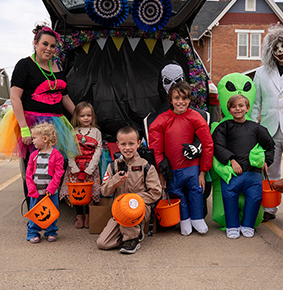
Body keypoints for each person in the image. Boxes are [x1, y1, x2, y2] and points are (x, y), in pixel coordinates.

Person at [0, 24, 79, 210]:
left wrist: (81, 116)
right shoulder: (24, 65)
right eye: (45, 44)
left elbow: (64, 97)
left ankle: (50, 210)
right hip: (33, 124)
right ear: (35, 43)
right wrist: (24, 128)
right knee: (34, 170)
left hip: (57, 124)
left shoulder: (57, 66)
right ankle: (34, 213)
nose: (49, 49)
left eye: (53, 46)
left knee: (57, 166)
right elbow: (15, 97)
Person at [250, 24, 283, 225]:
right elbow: (255, 104)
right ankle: (269, 208)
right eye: (276, 48)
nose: (280, 51)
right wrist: (253, 130)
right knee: (269, 170)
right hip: (268, 130)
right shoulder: (261, 73)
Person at [149, 81, 214, 236]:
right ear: (170, 100)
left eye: (184, 98)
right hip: (172, 169)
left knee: (196, 190)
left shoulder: (195, 117)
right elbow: (156, 149)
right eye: (177, 98)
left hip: (192, 167)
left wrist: (203, 171)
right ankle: (184, 219)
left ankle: (197, 218)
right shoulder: (162, 120)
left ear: (190, 100)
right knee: (175, 192)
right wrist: (161, 171)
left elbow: (207, 145)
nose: (180, 102)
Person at [213, 95, 275, 239]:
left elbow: (270, 145)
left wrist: (267, 160)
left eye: (241, 106)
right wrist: (231, 160)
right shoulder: (224, 127)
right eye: (234, 106)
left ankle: (248, 225)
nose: (237, 109)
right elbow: (217, 145)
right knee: (229, 196)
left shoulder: (257, 128)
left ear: (247, 108)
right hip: (232, 172)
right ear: (229, 109)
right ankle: (232, 226)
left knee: (254, 198)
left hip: (253, 172)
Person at [97, 126, 162, 254]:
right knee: (103, 243)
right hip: (119, 211)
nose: (127, 148)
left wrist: (133, 200)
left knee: (128, 211)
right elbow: (104, 191)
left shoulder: (146, 166)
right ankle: (133, 234)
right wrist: (116, 181)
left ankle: (132, 239)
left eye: (131, 144)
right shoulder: (112, 166)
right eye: (123, 144)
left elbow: (156, 192)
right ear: (118, 145)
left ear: (138, 144)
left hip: (140, 208)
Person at [60, 102, 102, 229]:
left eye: (89, 115)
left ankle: (89, 214)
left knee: (88, 192)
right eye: (82, 115)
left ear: (93, 116)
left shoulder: (96, 132)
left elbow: (98, 149)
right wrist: (74, 167)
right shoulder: (73, 132)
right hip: (76, 167)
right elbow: (70, 150)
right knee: (76, 191)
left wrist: (91, 168)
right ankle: (79, 215)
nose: (86, 118)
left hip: (90, 167)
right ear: (77, 117)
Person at [26, 122, 65, 243]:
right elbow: (28, 175)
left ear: (45, 139)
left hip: (50, 193)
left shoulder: (57, 155)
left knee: (51, 213)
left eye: (34, 138)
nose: (33, 141)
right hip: (36, 192)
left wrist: (51, 189)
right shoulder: (33, 155)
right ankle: (32, 232)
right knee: (35, 213)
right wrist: (32, 189)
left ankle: (51, 231)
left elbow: (59, 173)